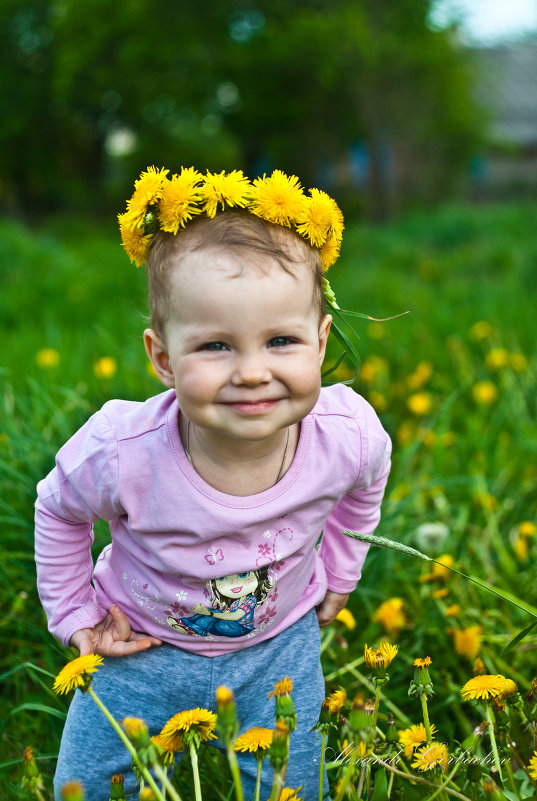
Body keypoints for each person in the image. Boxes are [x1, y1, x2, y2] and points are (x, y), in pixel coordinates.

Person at [35, 166, 392, 800]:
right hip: (136, 647)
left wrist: (340, 571)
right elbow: (58, 508)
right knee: (88, 787)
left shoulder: (348, 434)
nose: (253, 372)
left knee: (288, 786)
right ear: (163, 358)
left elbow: (366, 484)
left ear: (320, 339)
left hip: (280, 648)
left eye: (280, 340)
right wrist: (76, 615)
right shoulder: (124, 452)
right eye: (217, 346)